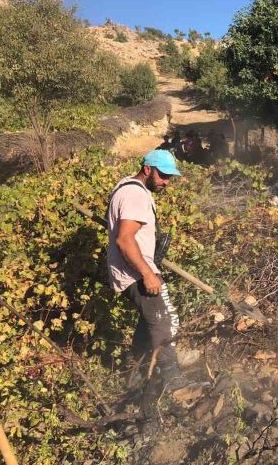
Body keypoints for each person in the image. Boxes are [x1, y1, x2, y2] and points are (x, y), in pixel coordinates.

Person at [106, 149, 187, 392]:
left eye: (170, 177)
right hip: (136, 274)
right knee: (165, 323)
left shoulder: (127, 188)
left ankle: (136, 381)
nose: (166, 182)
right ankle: (175, 384)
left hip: (132, 271)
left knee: (148, 326)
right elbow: (124, 240)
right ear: (147, 169)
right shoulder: (135, 195)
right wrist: (148, 274)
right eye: (163, 176)